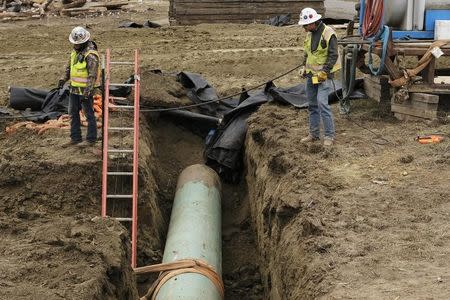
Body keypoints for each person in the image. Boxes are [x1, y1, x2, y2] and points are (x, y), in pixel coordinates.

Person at [298, 8, 340, 147]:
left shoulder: (328, 33)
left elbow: (333, 55)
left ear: (312, 22)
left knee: (322, 104)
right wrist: (304, 67)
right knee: (312, 105)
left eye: (305, 25)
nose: (304, 28)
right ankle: (314, 134)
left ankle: (329, 136)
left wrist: (325, 72)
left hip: (323, 76)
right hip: (311, 76)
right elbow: (307, 53)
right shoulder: (310, 34)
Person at [60, 26, 101, 147]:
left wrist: (87, 92)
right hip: (74, 89)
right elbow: (69, 68)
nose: (75, 46)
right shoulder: (75, 52)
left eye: (77, 44)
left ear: (84, 42)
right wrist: (63, 79)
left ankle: (91, 139)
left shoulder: (91, 55)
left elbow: (92, 76)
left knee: (89, 114)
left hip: (85, 91)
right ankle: (75, 138)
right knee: (72, 113)